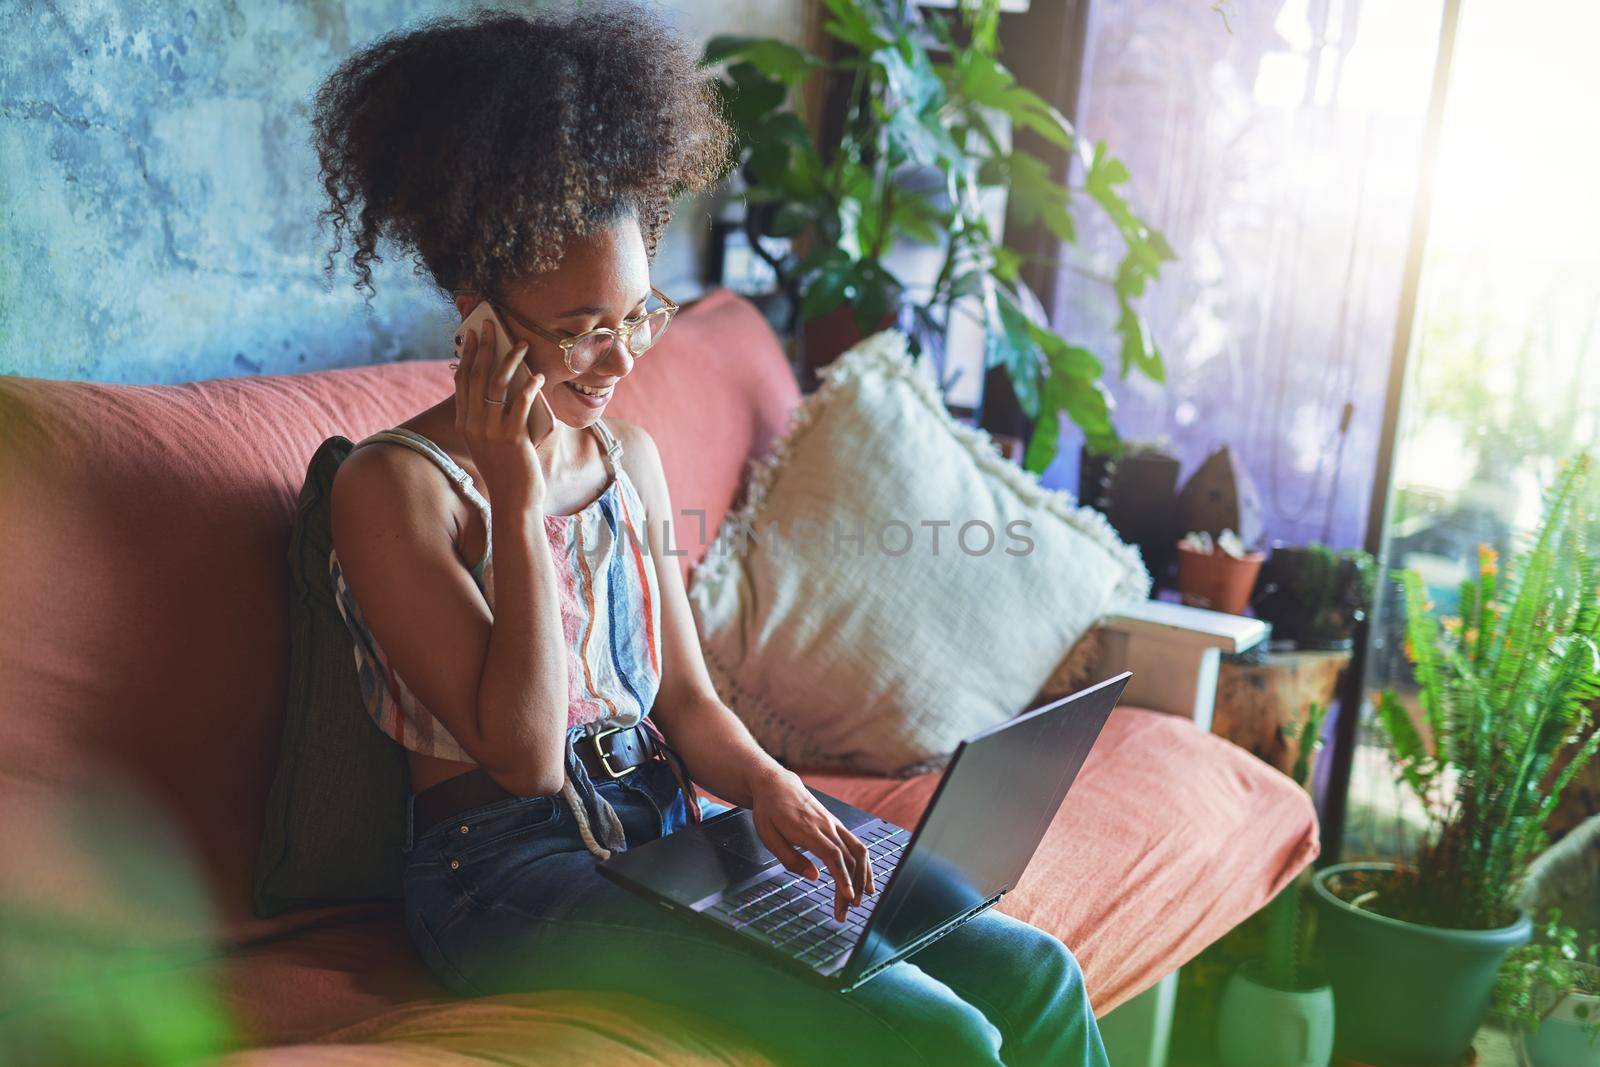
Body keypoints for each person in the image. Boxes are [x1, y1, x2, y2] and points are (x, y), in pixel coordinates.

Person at [316, 8, 1107, 1065]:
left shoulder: (627, 458)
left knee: (1033, 971)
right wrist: (514, 497)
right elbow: (521, 758)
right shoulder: (398, 488)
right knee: (943, 1036)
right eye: (578, 331)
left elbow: (684, 700)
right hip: (506, 878)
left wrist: (770, 783)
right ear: (478, 318)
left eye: (637, 316)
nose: (616, 361)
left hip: (662, 832)